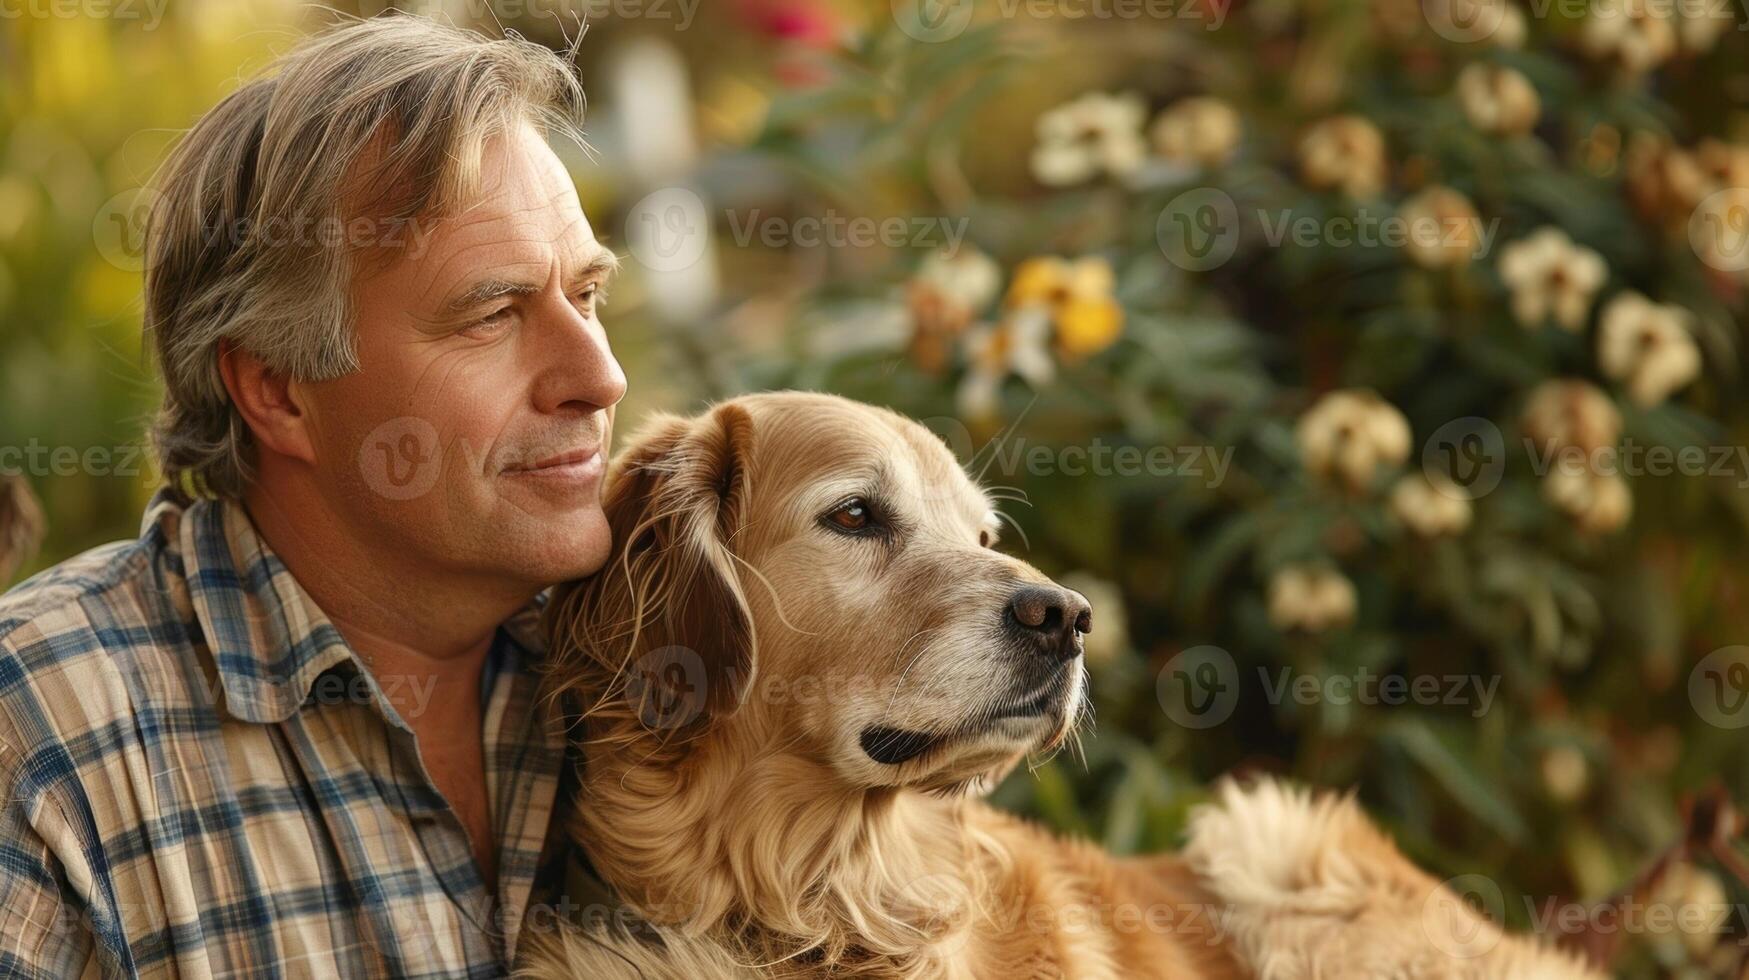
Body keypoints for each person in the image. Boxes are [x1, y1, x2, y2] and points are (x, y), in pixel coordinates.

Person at [0, 15, 625, 977]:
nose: (599, 377)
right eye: (493, 314)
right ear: (278, 391)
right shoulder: (44, 741)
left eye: (584, 296)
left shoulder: (664, 660)